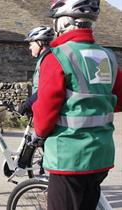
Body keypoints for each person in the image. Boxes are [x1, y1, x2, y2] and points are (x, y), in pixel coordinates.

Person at [30, 0, 122, 209]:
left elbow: (44, 116)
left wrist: (40, 133)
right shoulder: (108, 56)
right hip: (101, 156)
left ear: (62, 23)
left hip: (68, 159)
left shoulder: (57, 57)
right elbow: (119, 99)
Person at [18, 26, 54, 115]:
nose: (29, 48)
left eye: (31, 44)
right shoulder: (44, 59)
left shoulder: (49, 60)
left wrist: (27, 104)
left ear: (40, 42)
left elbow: (46, 89)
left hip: (48, 112)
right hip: (41, 108)